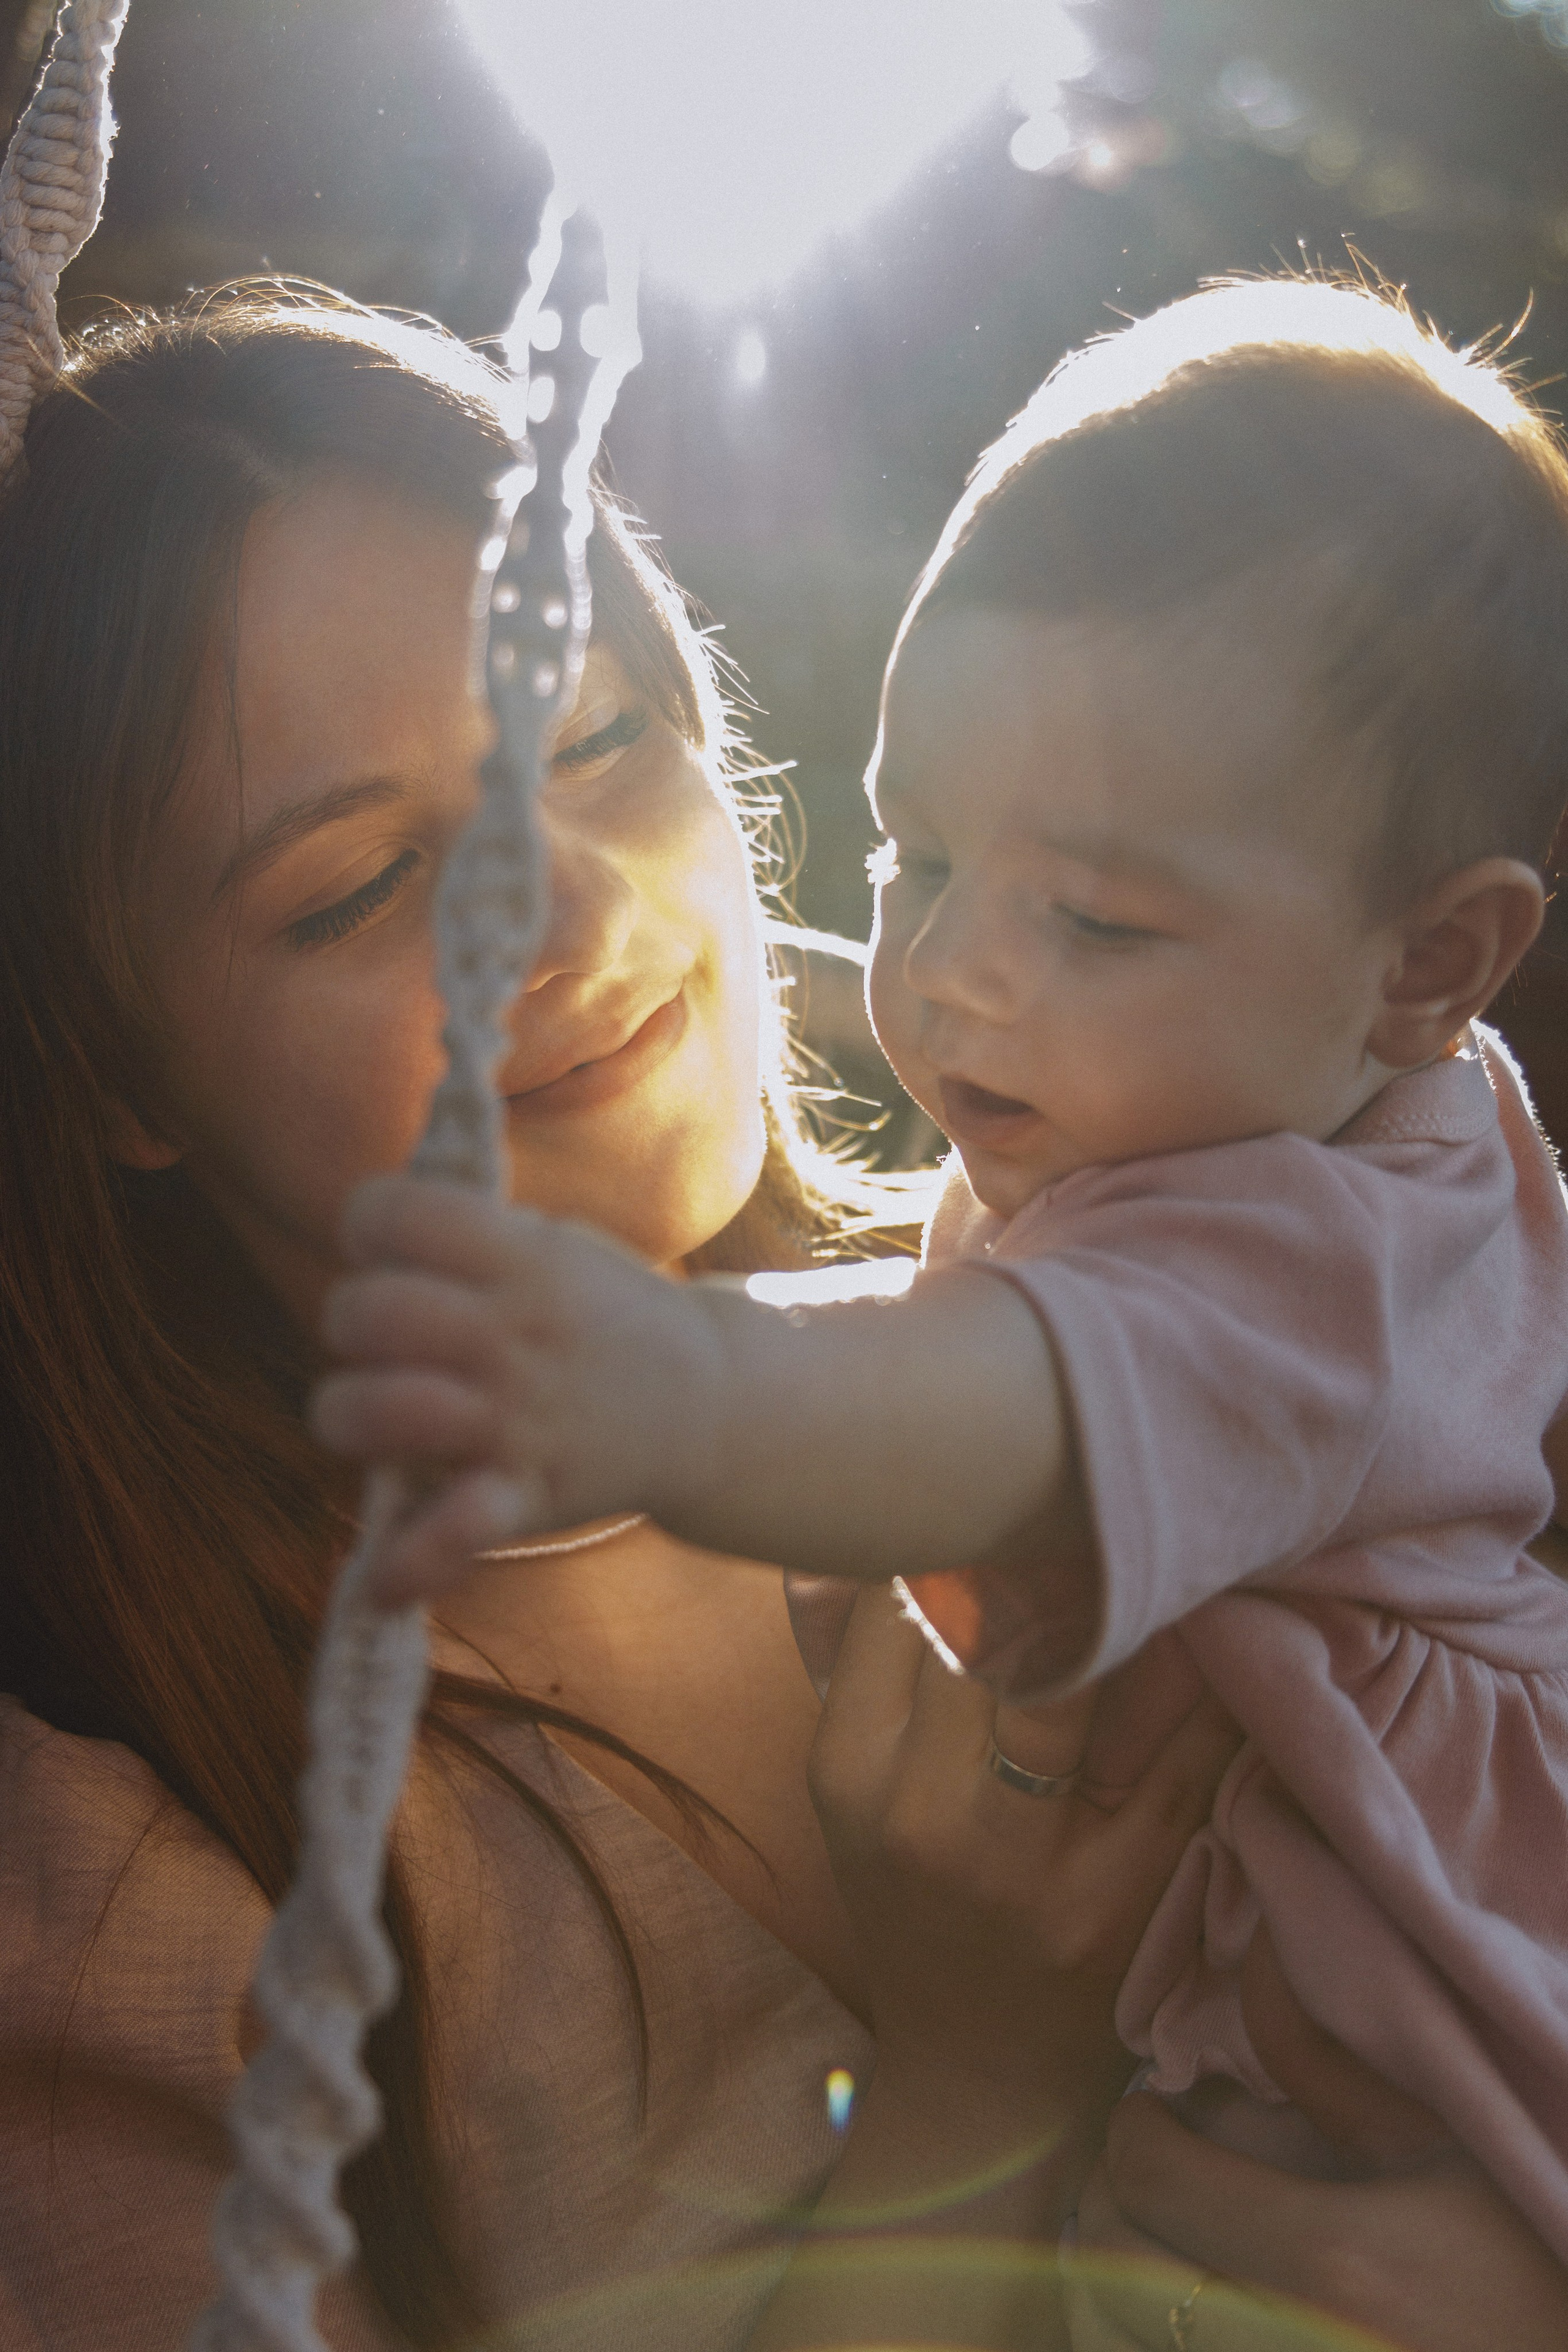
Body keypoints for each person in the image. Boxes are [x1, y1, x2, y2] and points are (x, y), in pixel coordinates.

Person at [0, 281, 1251, 2352]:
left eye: (595, 740)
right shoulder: (131, 1880)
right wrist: (979, 2087)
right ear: (115, 1074)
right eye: (356, 887)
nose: (572, 913)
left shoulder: (1127, 1326)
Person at [315, 274, 1568, 2320]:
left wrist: (657, 1388)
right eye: (914, 855)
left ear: (1432, 967)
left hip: (1424, 2063)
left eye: (1088, 911)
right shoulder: (1227, 1072)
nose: (957, 976)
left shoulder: (1308, 1242)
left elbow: (980, 1406)